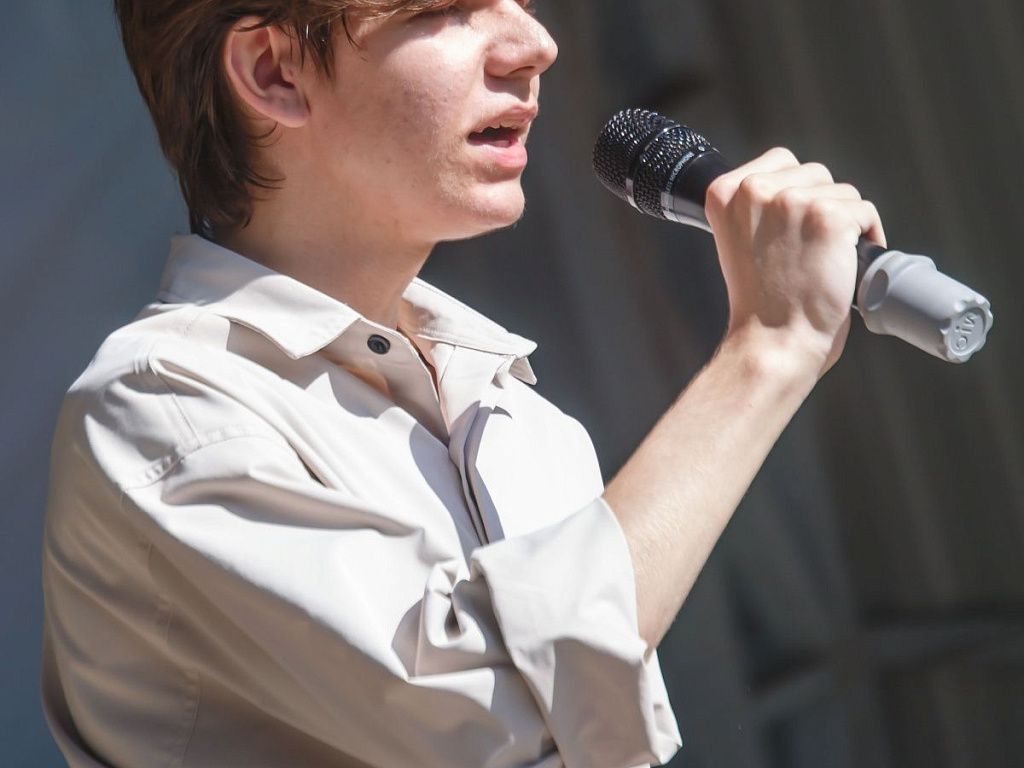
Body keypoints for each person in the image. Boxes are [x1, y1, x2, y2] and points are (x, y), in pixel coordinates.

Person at [40, 1, 887, 766]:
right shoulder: (165, 406)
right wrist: (766, 350)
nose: (535, 44)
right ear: (274, 71)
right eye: (448, 9)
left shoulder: (518, 412)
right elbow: (503, 709)